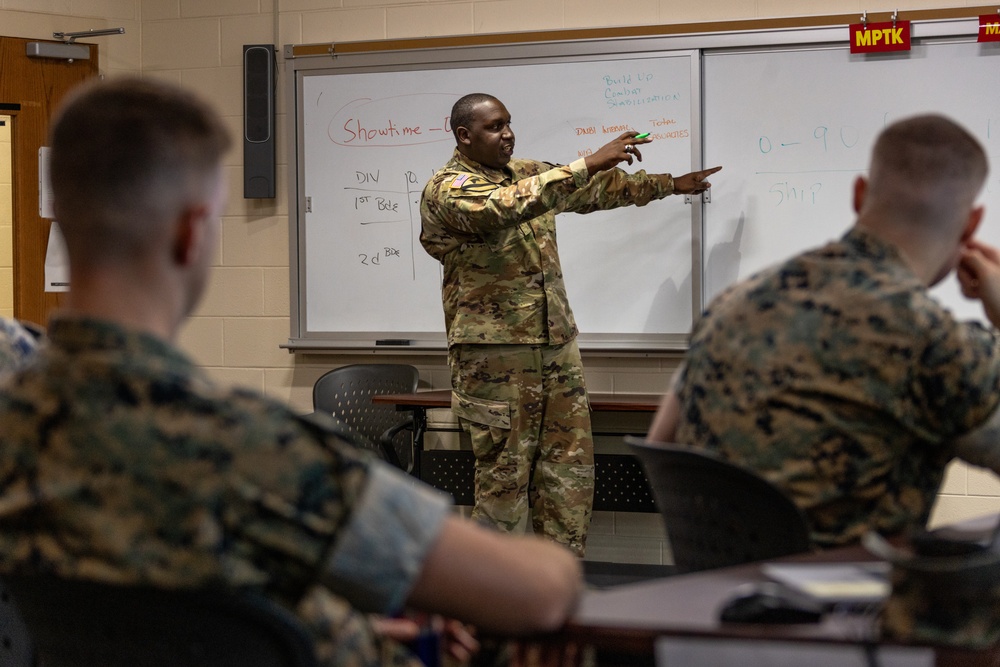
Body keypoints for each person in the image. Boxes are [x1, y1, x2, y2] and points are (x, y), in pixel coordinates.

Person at [0, 78, 583, 667]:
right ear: (190, 231)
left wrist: (349, 624)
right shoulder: (253, 445)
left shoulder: (18, 423)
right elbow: (537, 593)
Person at [649, 113, 1000, 549]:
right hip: (852, 607)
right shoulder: (938, 343)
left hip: (708, 602)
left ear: (859, 195)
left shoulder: (732, 302)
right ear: (971, 224)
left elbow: (662, 446)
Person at [420, 92, 721, 556]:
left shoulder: (526, 172)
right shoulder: (449, 188)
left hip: (555, 347)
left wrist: (669, 185)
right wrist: (588, 162)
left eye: (509, 123)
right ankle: (496, 601)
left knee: (568, 473)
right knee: (505, 481)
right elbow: (505, 207)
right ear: (464, 135)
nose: (508, 134)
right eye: (496, 126)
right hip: (495, 358)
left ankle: (562, 585)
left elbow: (592, 191)